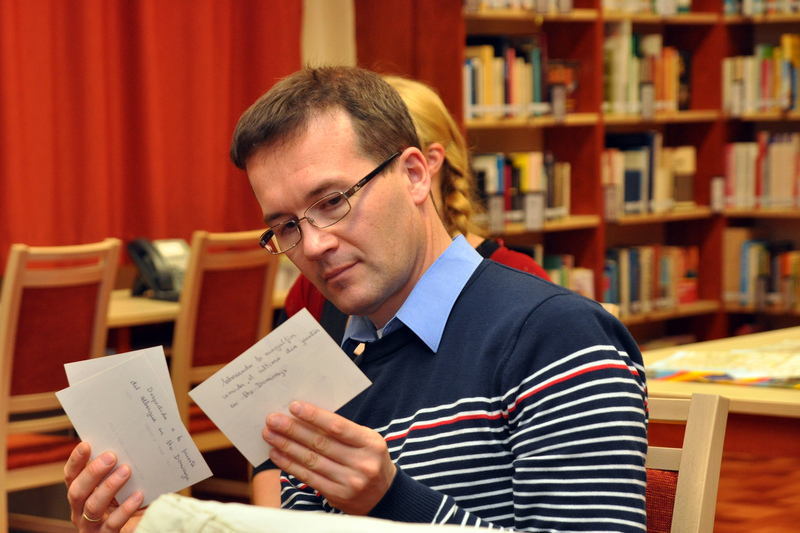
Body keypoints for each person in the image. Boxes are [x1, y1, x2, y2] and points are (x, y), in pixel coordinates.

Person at [64, 66, 648, 532]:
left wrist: (391, 499)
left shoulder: (555, 335)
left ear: (415, 174)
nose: (315, 245)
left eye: (333, 201)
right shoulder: (322, 353)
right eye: (286, 226)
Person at [277, 75, 551, 359]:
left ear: (417, 168)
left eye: (334, 200)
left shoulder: (518, 283)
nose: (315, 246)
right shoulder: (325, 284)